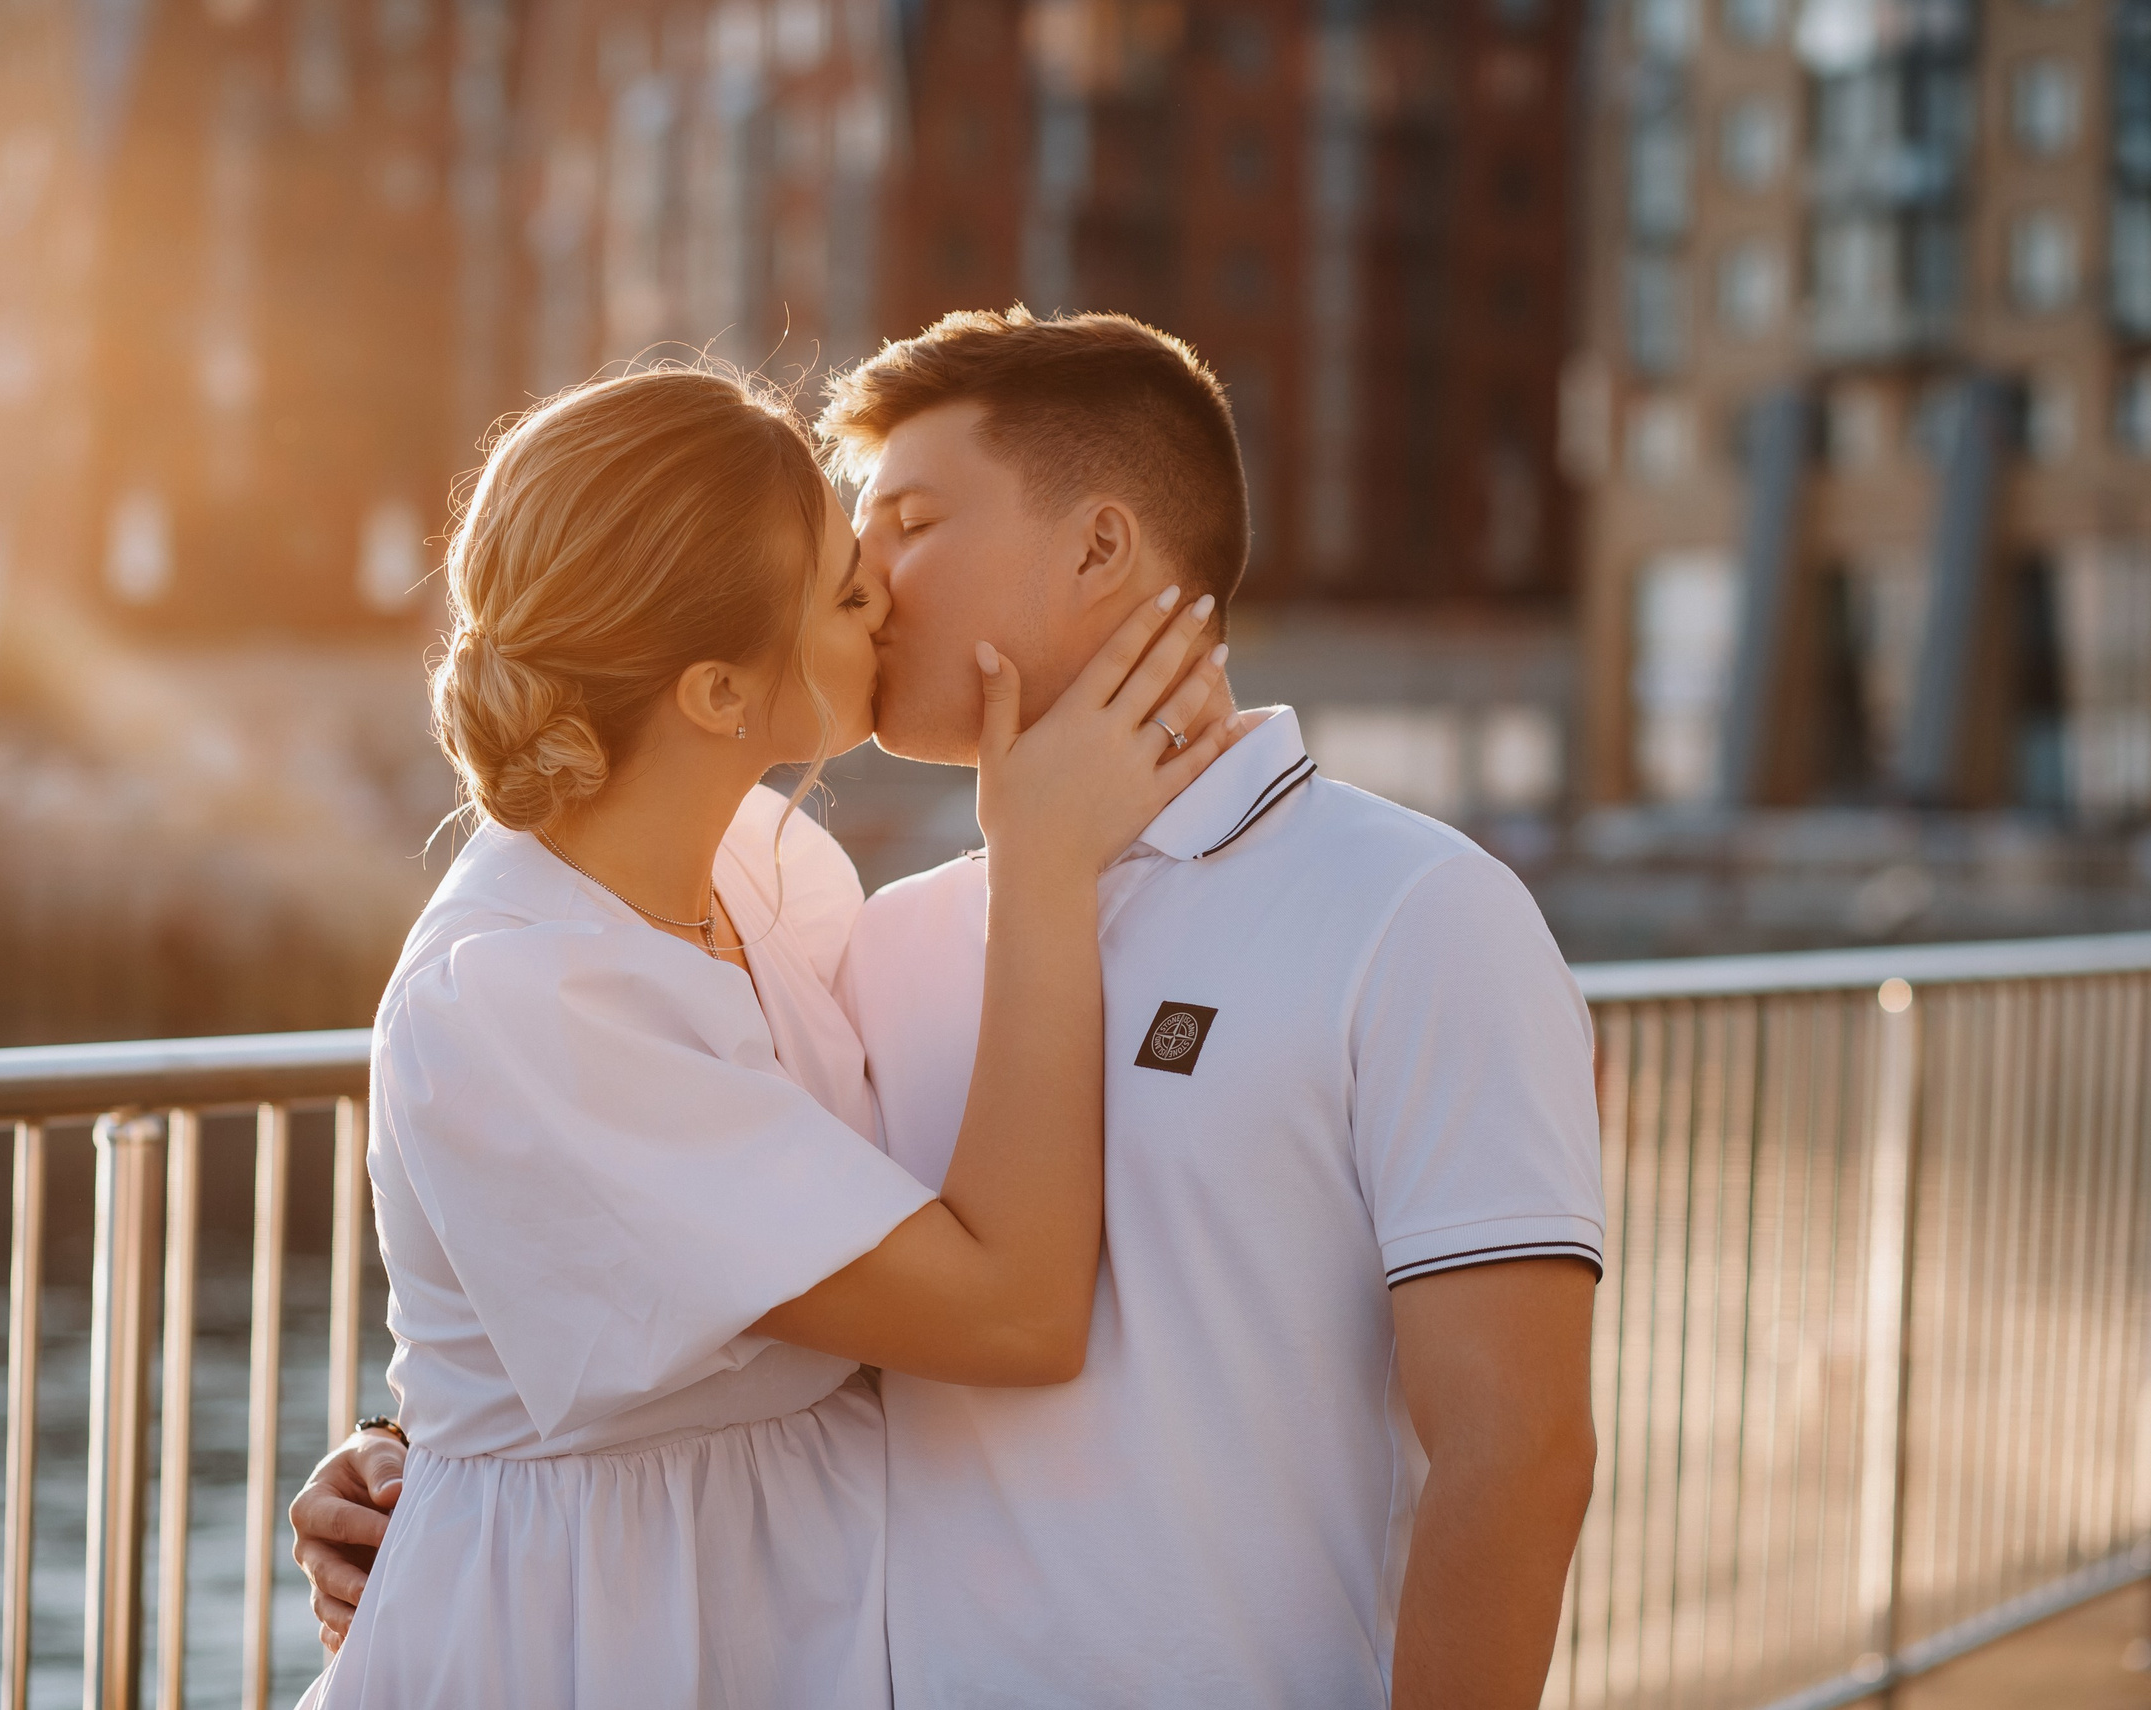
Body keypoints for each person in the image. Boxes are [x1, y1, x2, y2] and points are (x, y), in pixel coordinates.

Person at [297, 311, 1605, 1709]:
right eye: (854, 530)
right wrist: (437, 1454)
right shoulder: (884, 939)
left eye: (909, 520)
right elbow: (679, 1270)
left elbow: (1517, 1451)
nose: (865, 570)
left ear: (1099, 548)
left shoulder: (1413, 914)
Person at [297, 361, 1242, 1710]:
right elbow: (1013, 1310)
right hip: (594, 1635)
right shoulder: (518, 993)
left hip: (788, 1606)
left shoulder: (772, 870)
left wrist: (409, 1431)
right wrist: (1041, 860)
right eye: (848, 592)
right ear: (716, 693)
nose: (888, 597)